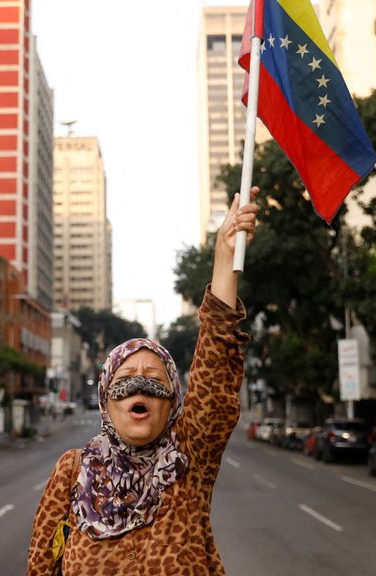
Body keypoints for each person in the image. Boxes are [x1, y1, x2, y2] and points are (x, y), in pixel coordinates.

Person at [27, 188, 259, 575]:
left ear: (171, 403)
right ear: (106, 400)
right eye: (126, 379)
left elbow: (216, 366)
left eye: (153, 378)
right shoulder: (72, 471)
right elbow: (41, 566)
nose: (139, 386)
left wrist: (224, 258)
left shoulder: (190, 459)